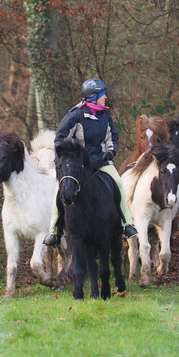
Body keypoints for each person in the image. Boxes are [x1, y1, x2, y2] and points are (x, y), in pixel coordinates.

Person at [43, 78, 138, 247]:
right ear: (93, 96)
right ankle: (53, 231)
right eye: (103, 95)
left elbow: (112, 137)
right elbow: (60, 140)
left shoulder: (105, 116)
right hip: (79, 165)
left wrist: (110, 152)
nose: (106, 98)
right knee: (60, 189)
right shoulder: (74, 116)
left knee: (118, 183)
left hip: (102, 161)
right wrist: (71, 156)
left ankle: (127, 224)